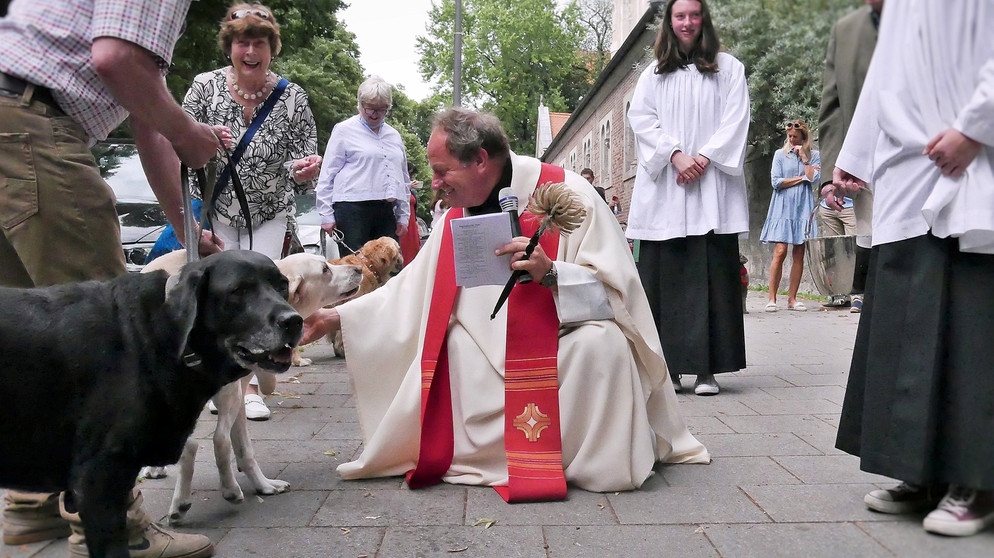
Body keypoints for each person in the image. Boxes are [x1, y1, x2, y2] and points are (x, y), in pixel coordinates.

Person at [300, 107, 709, 499]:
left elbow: (616, 296)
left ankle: (585, 460)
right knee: (449, 347)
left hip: (560, 344)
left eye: (442, 171)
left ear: (480, 160)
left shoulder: (569, 195)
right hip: (484, 356)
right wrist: (335, 317)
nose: (434, 183)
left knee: (605, 346)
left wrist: (552, 273)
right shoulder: (455, 217)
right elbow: (409, 290)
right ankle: (496, 455)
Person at [0, 1, 224, 556]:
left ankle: (31, 507)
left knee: (21, 332)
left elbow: (142, 116)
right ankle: (114, 525)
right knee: (114, 338)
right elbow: (117, 59)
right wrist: (190, 133)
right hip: (35, 129)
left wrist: (184, 223)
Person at [830, 0, 994, 537]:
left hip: (972, 158)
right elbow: (888, 69)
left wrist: (975, 128)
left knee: (969, 332)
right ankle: (920, 472)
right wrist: (853, 154)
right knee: (909, 326)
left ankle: (977, 480)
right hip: (907, 161)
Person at [184, 3, 322, 421]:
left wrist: (306, 170)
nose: (250, 51)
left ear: (271, 48)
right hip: (217, 211)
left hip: (271, 211)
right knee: (221, 301)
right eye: (243, 41)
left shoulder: (292, 97)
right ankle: (216, 382)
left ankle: (244, 391)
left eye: (259, 42)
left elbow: (307, 163)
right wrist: (204, 142)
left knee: (259, 300)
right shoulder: (203, 88)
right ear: (230, 46)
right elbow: (180, 151)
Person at [626, 0, 750, 396]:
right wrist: (676, 156)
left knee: (711, 274)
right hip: (667, 191)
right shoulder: (653, 75)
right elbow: (641, 120)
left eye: (694, 15)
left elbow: (737, 118)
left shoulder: (729, 69)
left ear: (704, 21)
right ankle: (671, 368)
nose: (687, 22)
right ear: (670, 22)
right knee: (666, 278)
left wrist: (704, 157)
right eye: (680, 16)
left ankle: (707, 369)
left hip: (712, 187)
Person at [817, 0, 884, 313]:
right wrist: (830, 177)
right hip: (867, 169)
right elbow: (833, 109)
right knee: (869, 233)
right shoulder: (846, 32)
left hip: (932, 160)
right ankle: (865, 294)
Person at [316, 76, 410, 255]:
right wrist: (326, 214)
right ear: (360, 104)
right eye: (370, 108)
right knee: (357, 267)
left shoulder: (394, 135)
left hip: (385, 209)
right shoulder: (344, 130)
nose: (375, 114)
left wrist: (403, 215)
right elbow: (328, 174)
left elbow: (402, 177)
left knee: (388, 266)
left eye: (381, 109)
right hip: (352, 209)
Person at [759, 119, 820, 313]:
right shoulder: (779, 155)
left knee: (799, 252)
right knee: (780, 250)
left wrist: (804, 158)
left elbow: (814, 180)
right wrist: (802, 178)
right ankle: (772, 298)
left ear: (804, 138)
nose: (792, 140)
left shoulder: (813, 156)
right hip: (782, 206)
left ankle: (792, 299)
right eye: (790, 137)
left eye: (796, 137)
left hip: (802, 206)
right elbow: (776, 182)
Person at [399, 162, 422, 266]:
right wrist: (406, 187)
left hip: (412, 225)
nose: (412, 177)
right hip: (403, 225)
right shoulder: (399, 187)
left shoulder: (412, 192)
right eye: (410, 174)